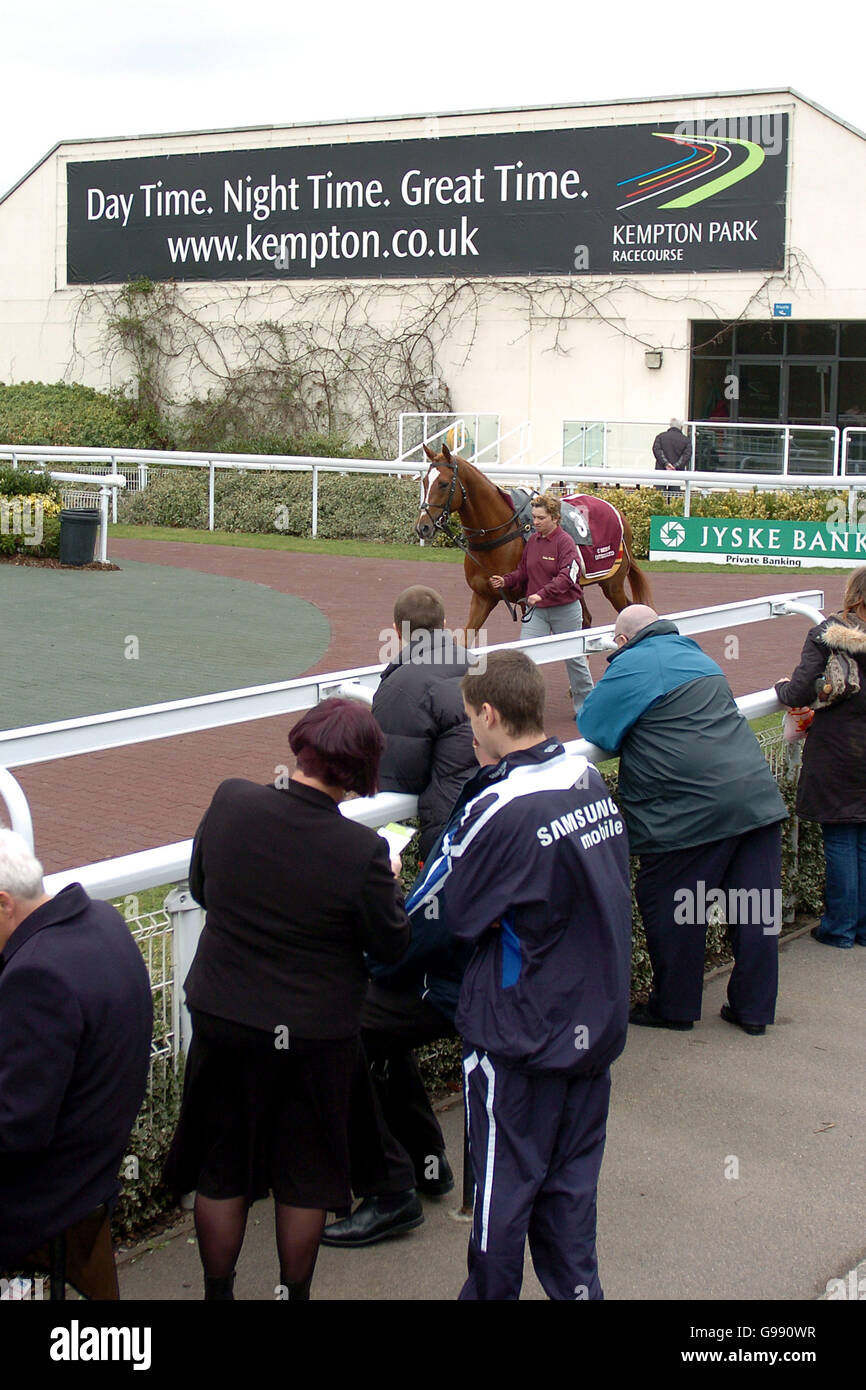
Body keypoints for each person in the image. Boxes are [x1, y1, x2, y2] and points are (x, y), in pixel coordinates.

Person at [163, 699, 410, 1300]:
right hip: (315, 1033)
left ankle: (217, 1291)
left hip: (224, 1015)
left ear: (301, 748)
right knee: (307, 1174)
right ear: (359, 773)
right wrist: (391, 882)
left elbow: (203, 889)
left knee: (222, 1167)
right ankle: (291, 1294)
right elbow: (390, 947)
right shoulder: (361, 853)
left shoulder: (231, 802)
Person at [406, 649, 632, 1300]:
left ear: (489, 714)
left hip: (521, 1037)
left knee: (500, 1204)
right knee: (569, 1198)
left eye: (470, 721)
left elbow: (439, 912)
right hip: (593, 1024)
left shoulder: (497, 805)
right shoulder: (585, 777)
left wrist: (374, 957)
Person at [322, 587, 475, 1248]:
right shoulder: (466, 666)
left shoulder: (406, 681)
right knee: (378, 1015)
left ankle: (390, 1187)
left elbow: (384, 775)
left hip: (442, 868)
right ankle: (424, 1161)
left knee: (349, 1020)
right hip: (456, 877)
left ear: (397, 629)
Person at [578, 605, 788, 1036]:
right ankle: (754, 1010)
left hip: (688, 816)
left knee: (673, 908)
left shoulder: (631, 664)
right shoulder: (699, 656)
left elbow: (593, 726)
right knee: (755, 910)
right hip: (755, 800)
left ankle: (674, 1006)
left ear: (621, 641)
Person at [0, 830, 152, 1289]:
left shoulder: (36, 974)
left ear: (4, 902)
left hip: (45, 1197)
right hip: (93, 1171)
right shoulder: (101, 919)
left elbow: (16, 1130)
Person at [775, 568, 866, 948]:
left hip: (840, 751)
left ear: (854, 596)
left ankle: (840, 928)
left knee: (842, 837)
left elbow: (797, 691)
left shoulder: (828, 635)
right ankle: (859, 929)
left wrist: (782, 687)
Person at [373, 584, 477, 861]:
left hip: (450, 831)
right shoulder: (478, 665)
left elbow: (396, 776)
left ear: (396, 630)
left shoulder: (396, 686)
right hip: (499, 811)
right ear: (444, 625)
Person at [490, 492, 593, 715]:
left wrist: (542, 594)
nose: (535, 522)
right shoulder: (533, 542)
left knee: (574, 659)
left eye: (540, 518)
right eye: (534, 517)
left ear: (555, 518)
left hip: (565, 610)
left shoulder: (566, 543)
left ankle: (586, 707)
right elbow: (524, 571)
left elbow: (568, 577)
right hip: (537, 611)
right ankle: (522, 706)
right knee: (525, 656)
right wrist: (506, 580)